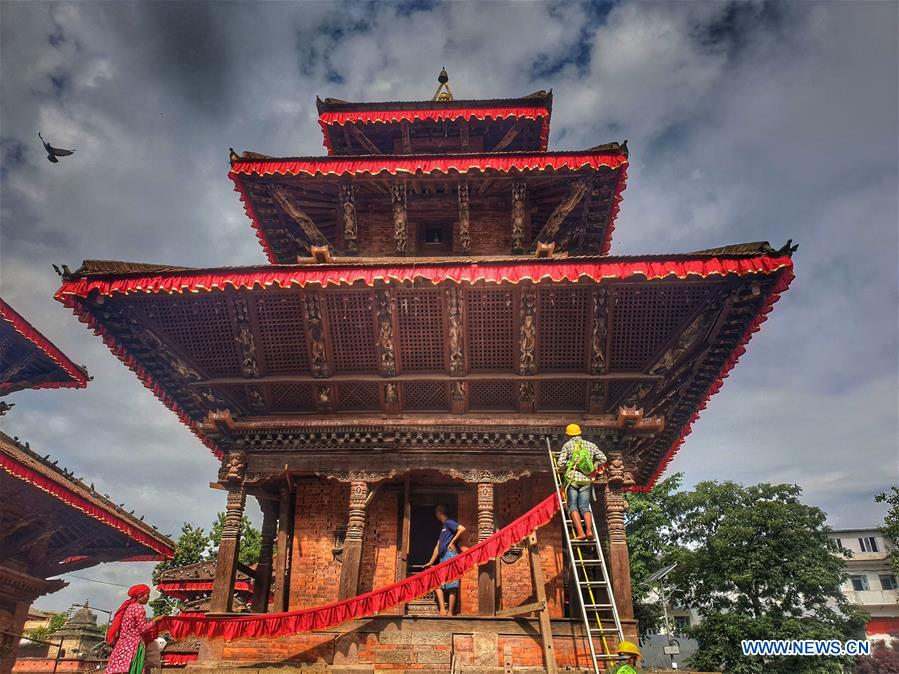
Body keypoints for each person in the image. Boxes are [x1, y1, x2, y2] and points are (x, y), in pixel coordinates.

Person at [557, 423, 606, 540]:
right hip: (586, 480)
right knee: (584, 507)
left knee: (572, 506)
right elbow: (603, 458)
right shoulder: (591, 445)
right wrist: (594, 466)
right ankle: (589, 531)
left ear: (569, 434)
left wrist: (563, 469)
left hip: (572, 480)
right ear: (579, 433)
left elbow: (560, 464)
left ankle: (580, 533)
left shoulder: (568, 445)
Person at [423, 504, 466, 615]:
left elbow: (461, 529)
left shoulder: (448, 522)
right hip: (443, 558)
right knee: (437, 583)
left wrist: (452, 542)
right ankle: (442, 609)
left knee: (452, 585)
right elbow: (437, 547)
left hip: (450, 555)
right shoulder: (443, 528)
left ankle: (450, 612)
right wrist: (431, 561)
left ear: (439, 513)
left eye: (436, 514)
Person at [105, 584, 157, 674]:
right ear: (140, 596)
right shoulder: (139, 608)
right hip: (133, 645)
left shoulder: (128, 607)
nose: (149, 598)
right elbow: (143, 629)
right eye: (147, 595)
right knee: (134, 669)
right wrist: (155, 621)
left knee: (119, 669)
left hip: (121, 645)